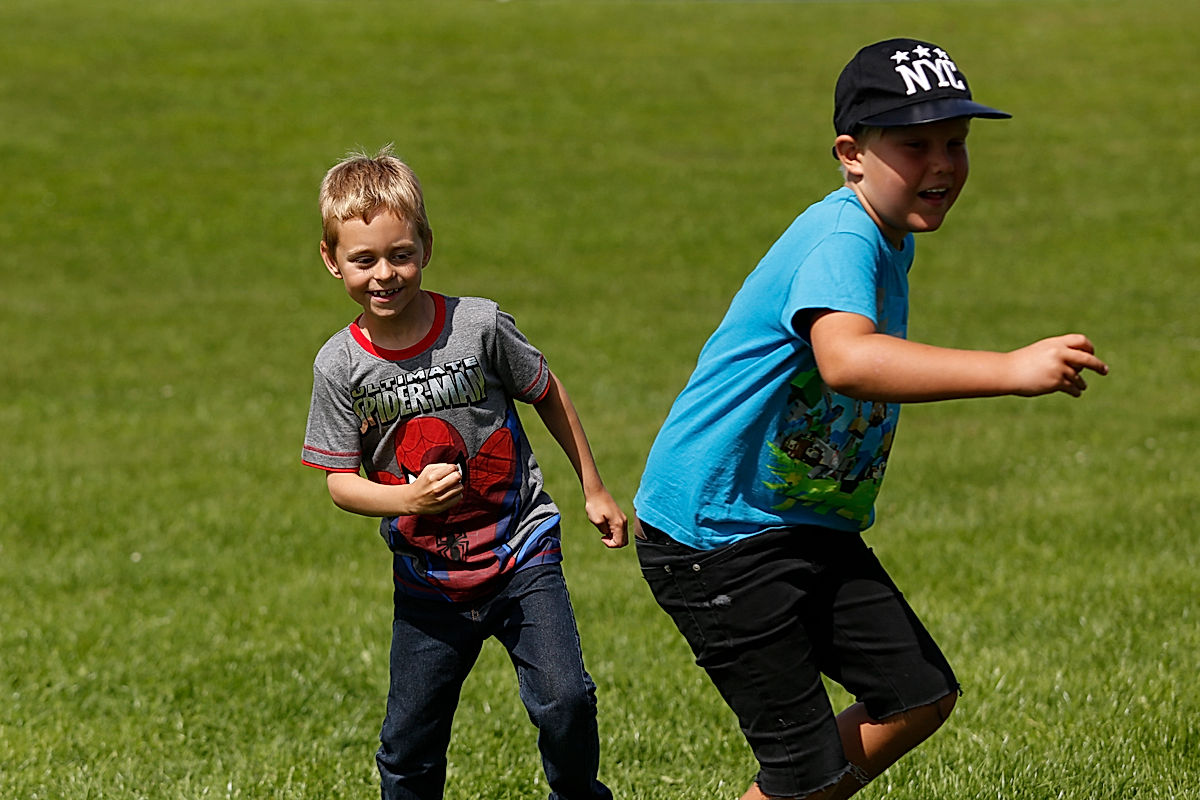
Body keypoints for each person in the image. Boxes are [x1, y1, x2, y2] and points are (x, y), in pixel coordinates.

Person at [633, 38, 1108, 800]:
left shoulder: (888, 236)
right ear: (850, 155)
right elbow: (847, 360)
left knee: (918, 695)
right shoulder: (843, 238)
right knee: (803, 769)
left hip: (797, 521)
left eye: (956, 142)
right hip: (717, 539)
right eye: (916, 145)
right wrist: (1009, 370)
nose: (943, 164)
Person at [302, 146, 628, 800]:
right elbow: (339, 482)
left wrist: (593, 487)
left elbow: (546, 391)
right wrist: (409, 499)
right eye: (364, 259)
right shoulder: (339, 366)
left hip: (521, 551)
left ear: (426, 245)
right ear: (332, 260)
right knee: (409, 744)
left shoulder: (477, 326)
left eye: (401, 254)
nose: (385, 274)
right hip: (430, 579)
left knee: (566, 700)